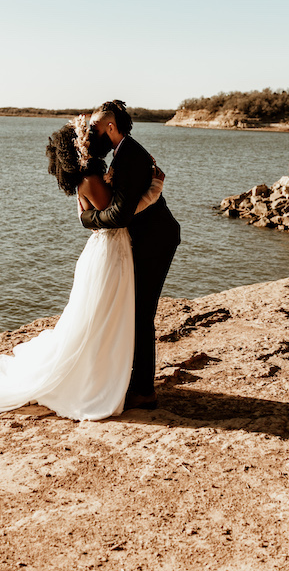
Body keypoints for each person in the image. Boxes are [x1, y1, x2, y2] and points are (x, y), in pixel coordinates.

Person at [0, 115, 164, 421]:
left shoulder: (88, 178)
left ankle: (113, 374)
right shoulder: (90, 180)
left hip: (109, 250)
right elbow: (118, 215)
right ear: (80, 150)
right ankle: (97, 381)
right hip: (109, 252)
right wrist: (153, 188)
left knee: (105, 316)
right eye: (88, 140)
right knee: (102, 317)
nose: (94, 143)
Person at [80, 100, 180, 411]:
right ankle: (135, 381)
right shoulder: (124, 153)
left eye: (95, 128)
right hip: (146, 239)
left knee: (142, 313)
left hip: (156, 241)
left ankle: (144, 390)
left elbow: (120, 215)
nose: (93, 133)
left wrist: (87, 220)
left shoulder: (129, 157)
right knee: (135, 311)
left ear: (110, 127)